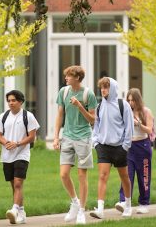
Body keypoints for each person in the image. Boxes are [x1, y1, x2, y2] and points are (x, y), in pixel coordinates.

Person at [53, 65, 98, 225]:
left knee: (81, 175)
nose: (66, 78)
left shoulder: (88, 94)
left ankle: (81, 210)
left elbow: (92, 120)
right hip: (67, 136)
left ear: (77, 78)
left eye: (69, 76)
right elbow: (59, 115)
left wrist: (79, 106)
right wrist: (56, 137)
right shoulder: (63, 92)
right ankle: (74, 202)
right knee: (64, 174)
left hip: (84, 137)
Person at [89, 77, 134, 220]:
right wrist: (95, 142)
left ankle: (128, 205)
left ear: (112, 88)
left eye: (106, 87)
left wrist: (125, 146)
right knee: (102, 176)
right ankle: (100, 209)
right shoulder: (99, 106)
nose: (103, 90)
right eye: (101, 87)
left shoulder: (123, 105)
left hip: (120, 147)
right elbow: (96, 126)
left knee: (124, 176)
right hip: (103, 147)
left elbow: (129, 127)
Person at [0, 90, 39, 225]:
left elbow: (32, 137)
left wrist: (17, 143)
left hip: (22, 154)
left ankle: (14, 209)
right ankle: (21, 212)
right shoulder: (3, 116)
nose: (11, 103)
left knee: (18, 182)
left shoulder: (28, 116)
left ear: (20, 101)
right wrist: (6, 143)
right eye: (9, 100)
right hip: (7, 156)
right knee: (14, 185)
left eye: (13, 100)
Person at [115, 88, 154, 215]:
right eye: (129, 100)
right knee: (127, 175)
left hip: (143, 146)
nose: (131, 103)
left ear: (138, 100)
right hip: (129, 146)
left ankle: (144, 203)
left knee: (144, 177)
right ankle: (124, 201)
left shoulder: (146, 111)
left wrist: (138, 124)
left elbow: (149, 130)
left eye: (133, 100)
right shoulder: (126, 112)